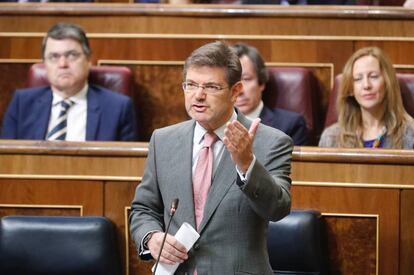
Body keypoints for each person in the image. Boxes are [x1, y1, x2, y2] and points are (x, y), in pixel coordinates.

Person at [129, 41, 292, 274]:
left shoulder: (270, 142)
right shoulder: (163, 140)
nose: (198, 95)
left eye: (211, 87)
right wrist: (151, 238)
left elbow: (278, 208)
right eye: (191, 84)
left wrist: (246, 163)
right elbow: (144, 208)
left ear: (235, 91)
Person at [1, 22, 137, 141]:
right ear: (44, 63)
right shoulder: (22, 103)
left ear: (88, 60)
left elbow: (125, 166)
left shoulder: (118, 108)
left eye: (72, 55)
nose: (62, 64)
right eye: (53, 56)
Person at [319, 46, 414, 148]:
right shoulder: (331, 138)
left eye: (373, 76)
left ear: (387, 83)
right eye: (358, 79)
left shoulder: (410, 134)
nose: (366, 85)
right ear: (351, 89)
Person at [232, 42, 308, 145]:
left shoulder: (290, 125)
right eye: (232, 81)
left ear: (261, 82)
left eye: (246, 79)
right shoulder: (212, 123)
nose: (240, 91)